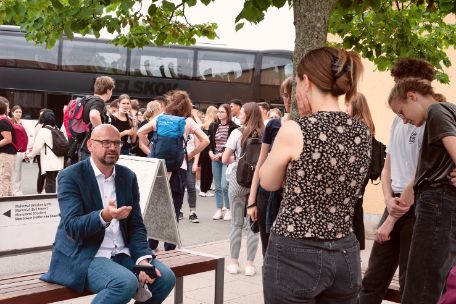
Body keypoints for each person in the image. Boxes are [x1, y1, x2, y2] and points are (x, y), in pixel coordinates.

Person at [259, 46, 369, 303]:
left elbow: (268, 181)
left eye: (297, 82)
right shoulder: (362, 131)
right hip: (345, 251)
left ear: (306, 81)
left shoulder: (295, 130)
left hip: (295, 251)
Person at [40, 124, 175, 303]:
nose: (112, 147)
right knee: (125, 283)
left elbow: (136, 225)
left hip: (122, 252)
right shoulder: (71, 176)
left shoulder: (127, 176)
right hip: (85, 254)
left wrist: (142, 259)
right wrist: (104, 216)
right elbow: (72, 227)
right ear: (90, 145)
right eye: (105, 142)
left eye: (117, 143)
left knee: (165, 278)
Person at [359, 58, 431, 303]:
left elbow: (420, 172)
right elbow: (388, 163)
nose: (396, 90)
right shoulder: (397, 120)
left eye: (400, 84)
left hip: (414, 207)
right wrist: (388, 198)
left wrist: (392, 217)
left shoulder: (429, 121)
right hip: (395, 205)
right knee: (373, 279)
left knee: (410, 282)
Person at [388, 78, 456, 304]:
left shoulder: (437, 110)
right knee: (432, 279)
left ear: (412, 96)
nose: (404, 120)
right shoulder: (450, 110)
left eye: (401, 112)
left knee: (421, 281)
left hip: (437, 203)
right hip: (443, 205)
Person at [137, 90, 209, 251]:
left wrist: (151, 152)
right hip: (179, 168)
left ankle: (152, 245)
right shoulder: (187, 121)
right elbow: (206, 140)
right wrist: (189, 155)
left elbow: (140, 132)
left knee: (155, 207)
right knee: (174, 207)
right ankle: (170, 246)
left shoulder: (160, 118)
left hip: (159, 167)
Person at [247, 76, 292, 256]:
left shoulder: (304, 126)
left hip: (290, 198)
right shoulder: (274, 124)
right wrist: (252, 201)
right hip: (267, 195)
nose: (287, 100)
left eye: (291, 95)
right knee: (268, 252)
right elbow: (261, 162)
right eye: (285, 95)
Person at [222, 102, 264, 276]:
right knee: (254, 225)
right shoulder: (265, 133)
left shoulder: (237, 132)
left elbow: (225, 158)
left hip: (239, 182)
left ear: (247, 115)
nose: (239, 115)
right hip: (258, 183)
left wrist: (238, 161)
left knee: (236, 224)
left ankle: (233, 262)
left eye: (241, 113)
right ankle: (249, 264)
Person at [344, 92, 376, 250]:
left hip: (355, 175)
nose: (345, 108)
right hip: (362, 174)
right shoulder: (367, 124)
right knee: (357, 210)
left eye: (348, 105)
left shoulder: (357, 126)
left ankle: (355, 246)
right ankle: (357, 246)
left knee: (353, 211)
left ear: (355, 106)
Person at [208, 104, 238, 220]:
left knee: (225, 185)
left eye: (222, 112)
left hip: (227, 158)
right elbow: (209, 142)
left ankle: (228, 209)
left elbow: (233, 145)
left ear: (228, 114)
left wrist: (222, 154)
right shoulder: (214, 126)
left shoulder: (234, 127)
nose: (219, 114)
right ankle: (219, 209)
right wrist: (211, 153)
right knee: (217, 186)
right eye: (218, 112)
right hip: (214, 157)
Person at [27, 110, 64, 193]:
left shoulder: (43, 130)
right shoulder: (56, 128)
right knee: (52, 180)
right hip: (59, 159)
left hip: (49, 160)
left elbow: (37, 147)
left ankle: (50, 200)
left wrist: (30, 155)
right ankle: (50, 196)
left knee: (50, 182)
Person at [80, 76, 115, 160]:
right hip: (93, 148)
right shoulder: (99, 101)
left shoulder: (88, 100)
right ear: (108, 90)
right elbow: (94, 115)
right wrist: (102, 134)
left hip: (85, 145)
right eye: (111, 90)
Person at [199, 106, 217, 197]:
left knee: (205, 170)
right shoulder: (213, 124)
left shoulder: (204, 124)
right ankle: (204, 190)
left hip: (203, 148)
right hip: (209, 149)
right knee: (208, 170)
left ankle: (204, 189)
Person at [0, 97, 16, 197]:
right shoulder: (4, 120)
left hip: (6, 154)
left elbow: (8, 139)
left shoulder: (2, 121)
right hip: (8, 153)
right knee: (6, 178)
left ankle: (2, 203)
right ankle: (9, 202)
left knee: (3, 178)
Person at [10, 105, 27, 196]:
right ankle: (14, 190)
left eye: (20, 112)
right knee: (13, 171)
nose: (18, 114)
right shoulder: (10, 122)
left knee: (18, 171)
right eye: (16, 112)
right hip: (13, 150)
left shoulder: (22, 123)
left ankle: (18, 189)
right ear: (12, 113)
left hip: (21, 151)